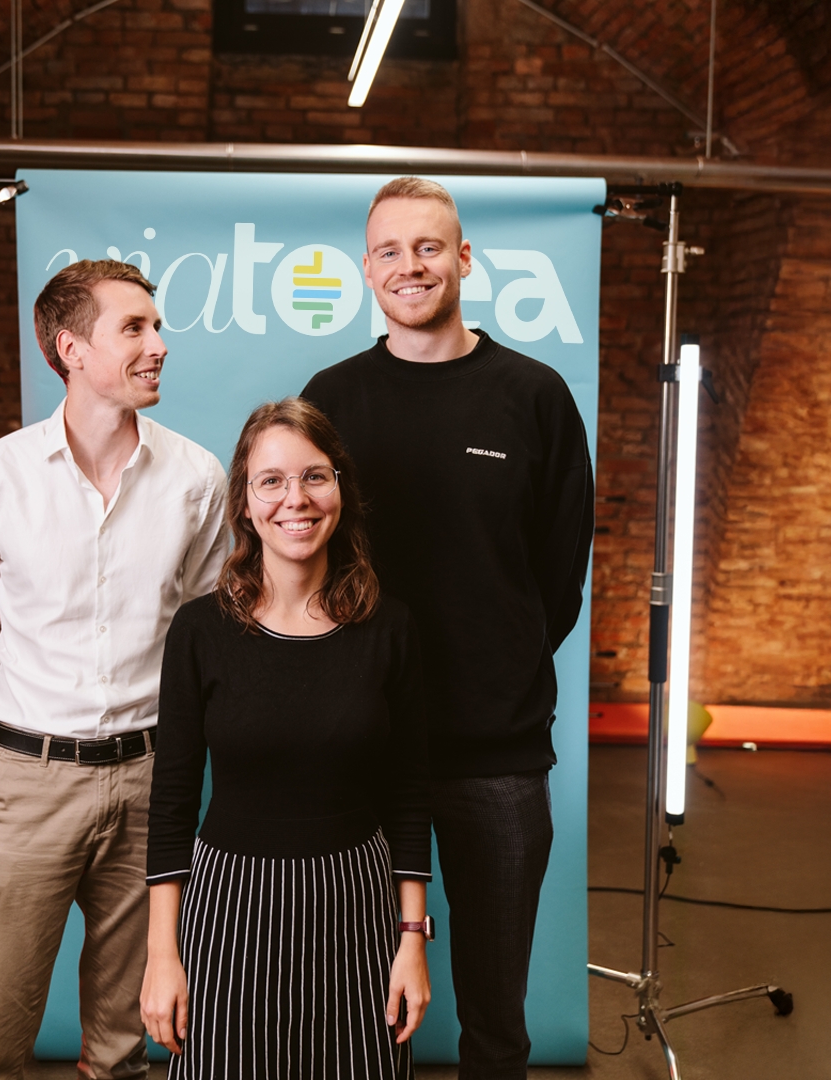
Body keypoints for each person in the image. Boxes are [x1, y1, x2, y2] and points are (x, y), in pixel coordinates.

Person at [302, 178, 594, 1080]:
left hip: (496, 755)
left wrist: (495, 662)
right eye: (389, 251)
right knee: (354, 1006)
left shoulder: (534, 396)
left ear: (463, 259)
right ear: (366, 270)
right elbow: (304, 551)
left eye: (428, 248)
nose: (410, 266)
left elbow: (557, 576)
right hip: (361, 748)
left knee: (495, 1022)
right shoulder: (331, 398)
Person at [0, 259, 228, 1080]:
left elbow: (205, 637)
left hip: (151, 782)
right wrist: (19, 747)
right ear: (71, 348)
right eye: (134, 328)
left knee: (125, 1044)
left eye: (156, 325)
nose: (159, 344)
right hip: (28, 781)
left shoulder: (196, 479)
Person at [140, 398, 433, 1080]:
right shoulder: (199, 632)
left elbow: (409, 793)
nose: (294, 499)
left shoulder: (391, 629)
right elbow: (173, 799)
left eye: (314, 477)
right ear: (244, 502)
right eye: (270, 480)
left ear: (340, 490)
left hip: (354, 905)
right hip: (229, 907)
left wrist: (411, 940)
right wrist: (162, 954)